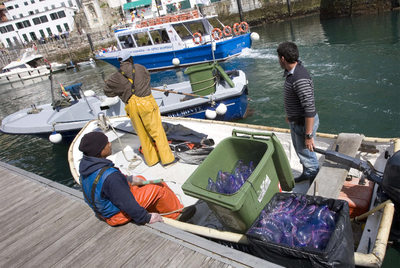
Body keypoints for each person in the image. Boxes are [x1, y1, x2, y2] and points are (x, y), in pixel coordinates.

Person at [78, 131, 188, 226]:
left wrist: (128, 179)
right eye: (106, 143)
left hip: (104, 210)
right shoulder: (112, 178)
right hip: (116, 216)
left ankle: (156, 207)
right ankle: (177, 215)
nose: (110, 144)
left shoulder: (87, 166)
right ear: (100, 151)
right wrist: (146, 218)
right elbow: (126, 203)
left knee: (140, 179)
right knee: (159, 189)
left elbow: (103, 185)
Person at [104, 50, 176, 167]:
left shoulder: (114, 78)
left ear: (120, 62)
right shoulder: (140, 68)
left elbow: (107, 92)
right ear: (130, 59)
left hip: (131, 106)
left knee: (142, 134)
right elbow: (147, 80)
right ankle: (167, 160)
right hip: (146, 102)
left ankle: (152, 160)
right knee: (157, 132)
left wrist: (121, 90)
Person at [277, 41, 320, 184]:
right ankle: (306, 174)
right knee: (301, 152)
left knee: (308, 156)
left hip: (303, 125)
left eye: (278, 58)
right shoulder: (292, 72)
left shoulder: (299, 78)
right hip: (297, 121)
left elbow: (310, 109)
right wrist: (291, 116)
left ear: (283, 59)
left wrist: (308, 135)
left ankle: (314, 185)